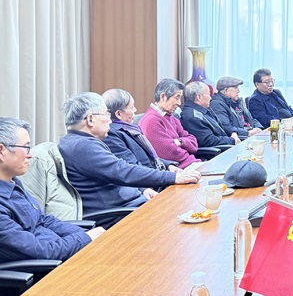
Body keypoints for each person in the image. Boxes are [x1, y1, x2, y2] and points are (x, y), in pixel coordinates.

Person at [58, 92, 201, 215]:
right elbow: (123, 171)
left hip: (133, 202)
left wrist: (142, 190)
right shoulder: (82, 146)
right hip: (120, 213)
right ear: (90, 119)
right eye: (106, 114)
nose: (109, 120)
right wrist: (173, 177)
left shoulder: (78, 141)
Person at [0, 117, 104, 263]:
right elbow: (41, 251)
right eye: (25, 147)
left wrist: (86, 234)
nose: (30, 154)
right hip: (47, 268)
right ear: (1, 151)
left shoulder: (13, 183)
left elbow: (43, 220)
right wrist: (84, 238)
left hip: (61, 253)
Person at [102, 88, 178, 172]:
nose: (135, 110)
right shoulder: (112, 135)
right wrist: (170, 176)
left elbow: (149, 158)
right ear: (119, 114)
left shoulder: (131, 128)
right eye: (132, 107)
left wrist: (169, 166)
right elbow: (134, 169)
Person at [139, 78, 201, 168]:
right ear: (163, 97)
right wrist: (186, 148)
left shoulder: (171, 117)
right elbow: (169, 152)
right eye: (177, 97)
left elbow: (193, 143)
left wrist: (180, 142)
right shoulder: (151, 121)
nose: (179, 103)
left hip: (191, 163)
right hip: (180, 168)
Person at [181, 82, 240, 149]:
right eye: (208, 94)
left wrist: (233, 132)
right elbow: (208, 140)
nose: (210, 98)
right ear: (199, 97)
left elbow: (221, 127)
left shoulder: (205, 109)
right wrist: (232, 140)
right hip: (216, 153)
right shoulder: (192, 117)